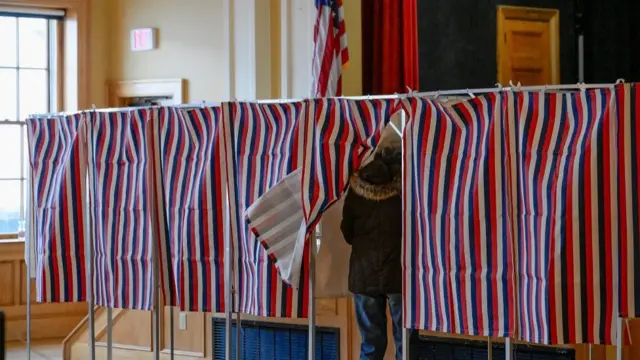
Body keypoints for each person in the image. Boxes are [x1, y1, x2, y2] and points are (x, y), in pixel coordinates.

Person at [340, 146, 418, 360]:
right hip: (399, 275)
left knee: (371, 345)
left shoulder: (357, 191)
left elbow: (347, 232)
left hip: (363, 277)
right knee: (406, 345)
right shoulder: (407, 190)